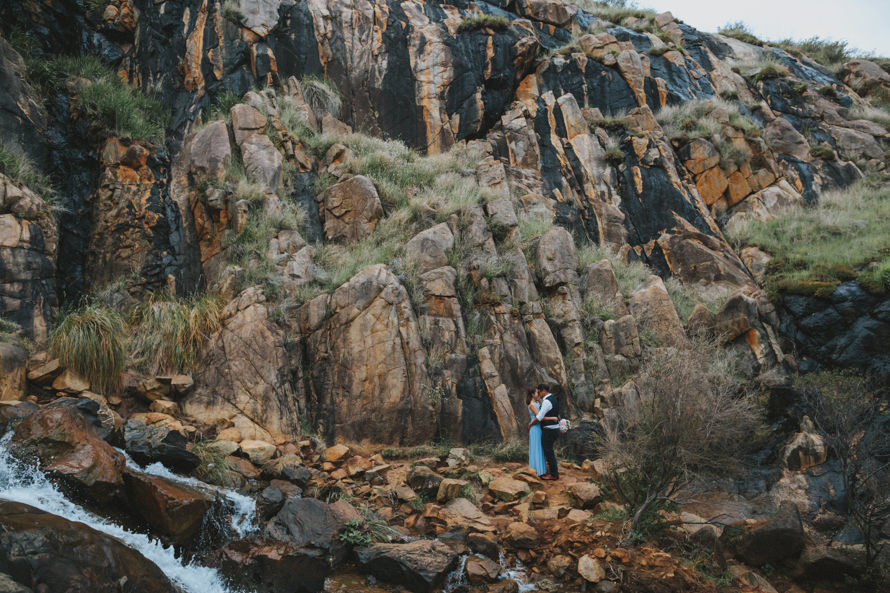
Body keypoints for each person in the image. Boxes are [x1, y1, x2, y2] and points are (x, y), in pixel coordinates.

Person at [530, 383, 560, 480]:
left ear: (543, 391)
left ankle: (554, 474)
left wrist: (530, 424)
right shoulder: (553, 399)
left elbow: (539, 417)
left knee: (548, 451)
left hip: (549, 430)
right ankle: (553, 472)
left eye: (539, 392)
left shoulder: (547, 401)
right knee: (549, 451)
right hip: (554, 429)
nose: (538, 394)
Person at [526, 388, 546, 476]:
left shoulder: (537, 403)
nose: (538, 394)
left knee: (539, 447)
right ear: (532, 394)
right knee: (536, 447)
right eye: (537, 393)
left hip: (538, 427)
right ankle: (537, 470)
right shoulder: (532, 404)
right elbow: (538, 417)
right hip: (535, 428)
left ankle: (540, 469)